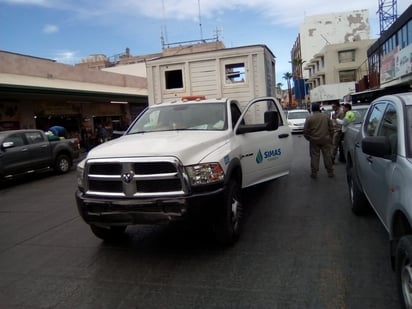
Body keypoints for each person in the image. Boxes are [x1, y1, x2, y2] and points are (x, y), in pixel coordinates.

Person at [303, 102, 334, 179]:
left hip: (314, 140)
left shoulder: (309, 118)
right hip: (325, 139)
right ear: (319, 108)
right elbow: (331, 128)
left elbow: (305, 131)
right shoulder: (326, 116)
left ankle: (314, 173)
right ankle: (330, 172)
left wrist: (308, 138)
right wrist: (330, 137)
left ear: (312, 109)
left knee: (314, 156)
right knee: (327, 156)